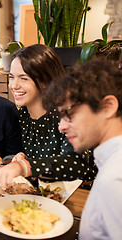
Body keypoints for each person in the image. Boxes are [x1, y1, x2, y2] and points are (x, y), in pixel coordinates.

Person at [0, 44, 96, 188]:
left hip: (83, 195)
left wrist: (25, 166)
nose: (14, 85)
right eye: (12, 77)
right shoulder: (23, 113)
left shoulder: (69, 112)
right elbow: (30, 158)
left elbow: (75, 164)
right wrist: (16, 159)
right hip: (46, 193)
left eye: (24, 78)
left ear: (45, 81)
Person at [42, 58, 122, 239]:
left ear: (107, 107)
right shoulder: (109, 164)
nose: (60, 126)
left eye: (68, 113)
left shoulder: (115, 179)